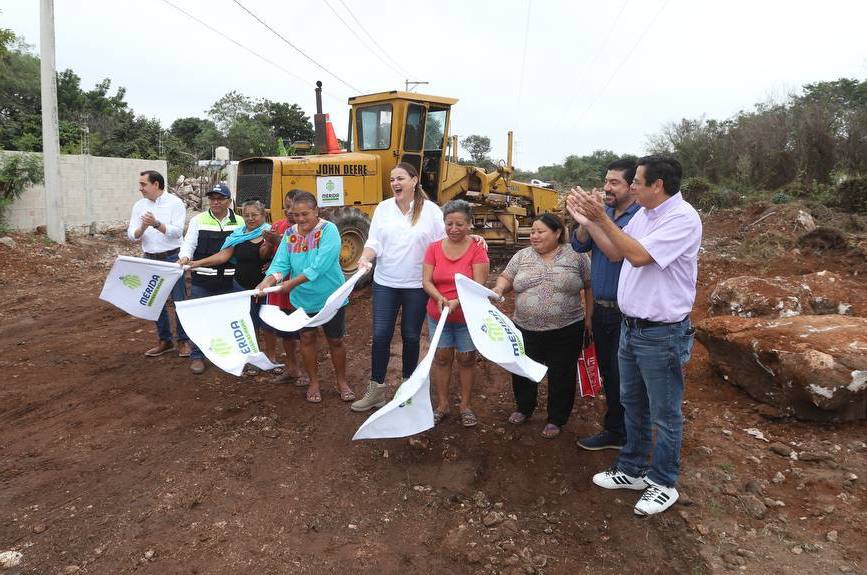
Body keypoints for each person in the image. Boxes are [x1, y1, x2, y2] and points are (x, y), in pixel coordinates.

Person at [568, 155, 701, 517]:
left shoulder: (682, 218)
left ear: (657, 185)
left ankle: (663, 482)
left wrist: (599, 218)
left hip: (662, 334)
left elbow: (640, 256)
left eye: (637, 182)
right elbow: (614, 251)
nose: (632, 188)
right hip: (632, 327)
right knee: (633, 403)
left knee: (664, 412)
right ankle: (632, 469)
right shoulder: (645, 214)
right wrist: (590, 222)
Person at [349, 162, 448, 412]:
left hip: (417, 285)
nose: (395, 183)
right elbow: (374, 242)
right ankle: (376, 390)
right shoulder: (383, 208)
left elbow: (444, 243)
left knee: (411, 336)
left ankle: (407, 390)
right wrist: (365, 257)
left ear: (414, 180)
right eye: (392, 179)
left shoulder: (432, 211)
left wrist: (474, 240)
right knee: (381, 336)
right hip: (386, 283)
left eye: (400, 178)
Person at [491, 213, 592, 439]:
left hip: (566, 328)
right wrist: (498, 288)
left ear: (557, 233)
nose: (534, 236)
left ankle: (556, 418)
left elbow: (589, 285)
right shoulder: (521, 256)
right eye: (532, 231)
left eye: (540, 232)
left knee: (561, 374)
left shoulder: (577, 256)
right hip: (525, 328)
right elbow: (506, 278)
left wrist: (589, 318)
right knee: (523, 371)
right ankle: (524, 408)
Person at [255, 191, 353, 404]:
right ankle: (313, 382)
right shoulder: (290, 234)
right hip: (303, 299)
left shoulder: (329, 230)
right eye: (295, 214)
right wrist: (268, 281)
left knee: (335, 340)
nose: (300, 219)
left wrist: (290, 284)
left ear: (316, 211)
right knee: (307, 339)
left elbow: (320, 266)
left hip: (330, 298)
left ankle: (341, 382)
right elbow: (281, 263)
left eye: (304, 214)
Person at [570, 159, 640, 451]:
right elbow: (579, 244)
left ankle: (626, 433)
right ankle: (617, 430)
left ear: (632, 186)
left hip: (623, 311)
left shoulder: (638, 218)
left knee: (623, 374)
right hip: (600, 308)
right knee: (610, 372)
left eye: (614, 183)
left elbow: (614, 254)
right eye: (606, 181)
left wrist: (594, 220)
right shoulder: (607, 212)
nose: (607, 188)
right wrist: (585, 220)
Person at [422, 200, 490, 427]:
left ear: (470, 224)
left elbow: (478, 286)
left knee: (466, 359)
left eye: (459, 224)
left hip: (466, 316)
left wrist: (457, 303)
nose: (453, 228)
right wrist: (439, 298)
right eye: (449, 223)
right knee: (441, 359)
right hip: (438, 313)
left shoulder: (477, 250)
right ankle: (442, 405)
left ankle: (465, 406)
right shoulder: (433, 248)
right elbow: (426, 281)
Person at [186, 199, 272, 375]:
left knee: (269, 325)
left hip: (266, 287)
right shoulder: (238, 234)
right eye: (246, 215)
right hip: (240, 287)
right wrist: (196, 263)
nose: (250, 218)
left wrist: (271, 257)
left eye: (255, 215)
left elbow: (279, 256)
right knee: (248, 324)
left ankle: (270, 359)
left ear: (263, 215)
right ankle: (252, 359)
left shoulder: (271, 234)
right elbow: (223, 256)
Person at [178, 183, 243, 374]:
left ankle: (227, 354)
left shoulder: (240, 222)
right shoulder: (199, 220)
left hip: (231, 281)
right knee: (200, 319)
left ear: (228, 201)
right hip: (203, 281)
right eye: (212, 198)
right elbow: (189, 243)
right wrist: (185, 257)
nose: (215, 202)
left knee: (230, 320)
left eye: (220, 198)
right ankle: (197, 356)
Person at [127, 170, 191, 358]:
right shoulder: (139, 206)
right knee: (155, 301)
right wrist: (142, 228)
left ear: (156, 184)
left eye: (143, 184)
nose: (140, 189)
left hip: (173, 259)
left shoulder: (175, 203)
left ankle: (183, 340)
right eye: (140, 184)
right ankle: (165, 340)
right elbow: (131, 235)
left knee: (179, 301)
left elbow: (177, 232)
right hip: (150, 259)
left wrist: (156, 224)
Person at [260, 190, 304, 384]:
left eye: (293, 207)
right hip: (280, 286)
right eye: (286, 206)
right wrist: (268, 243)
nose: (289, 211)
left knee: (304, 332)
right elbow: (264, 255)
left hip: (300, 286)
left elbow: (301, 254)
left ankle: (307, 372)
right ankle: (292, 369)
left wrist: (277, 240)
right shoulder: (277, 225)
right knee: (285, 330)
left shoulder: (308, 229)